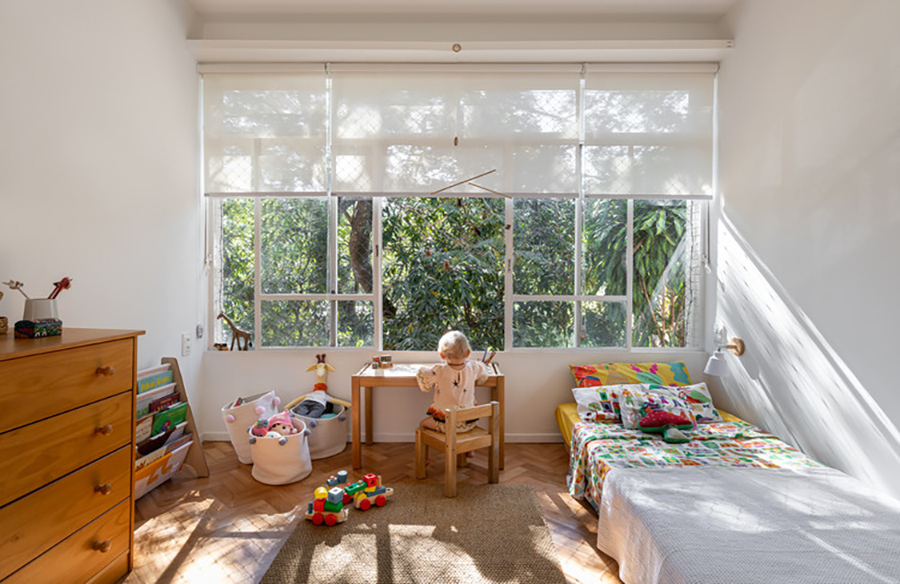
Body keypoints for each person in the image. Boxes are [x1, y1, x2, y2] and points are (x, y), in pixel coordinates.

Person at [416, 330, 492, 436]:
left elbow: (425, 385)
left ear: (442, 355)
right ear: (468, 353)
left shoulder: (439, 370)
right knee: (467, 426)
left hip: (446, 423)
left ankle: (446, 445)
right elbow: (483, 376)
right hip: (469, 423)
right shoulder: (474, 367)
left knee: (422, 424)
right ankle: (470, 450)